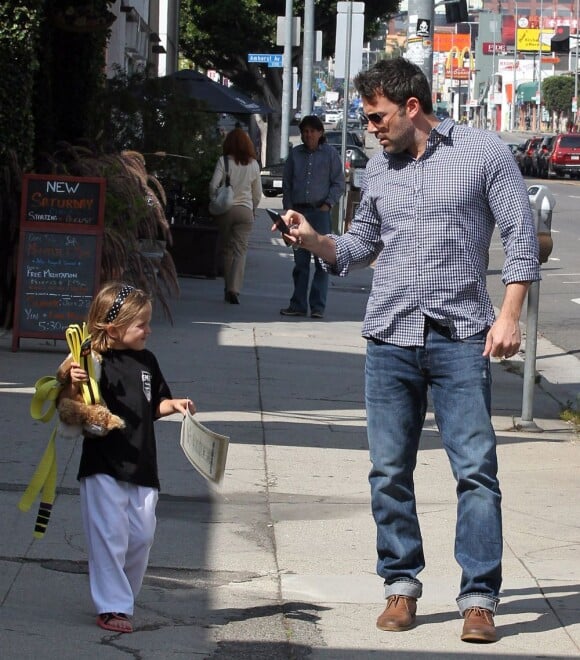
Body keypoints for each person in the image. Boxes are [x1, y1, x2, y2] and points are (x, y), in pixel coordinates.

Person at [276, 58, 540, 643]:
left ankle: (478, 599)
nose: (370, 126)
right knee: (389, 471)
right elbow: (357, 248)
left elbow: (521, 239)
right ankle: (401, 586)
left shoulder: (483, 153)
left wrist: (510, 315)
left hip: (461, 336)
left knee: (475, 471)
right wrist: (312, 238)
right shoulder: (379, 167)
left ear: (411, 107)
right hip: (390, 337)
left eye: (377, 116)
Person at [68, 282, 195, 633]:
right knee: (110, 535)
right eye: (141, 325)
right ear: (113, 328)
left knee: (141, 536)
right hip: (103, 462)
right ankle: (113, 606)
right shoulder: (91, 359)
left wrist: (174, 405)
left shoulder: (147, 361)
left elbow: (154, 404)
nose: (149, 331)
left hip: (142, 463)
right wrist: (73, 377)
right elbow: (69, 396)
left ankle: (122, 597)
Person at [280, 114, 344, 319]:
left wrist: (328, 204)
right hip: (298, 213)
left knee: (322, 262)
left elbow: (339, 183)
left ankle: (317, 306)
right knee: (300, 263)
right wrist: (288, 210)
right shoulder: (295, 155)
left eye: (312, 131)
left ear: (320, 133)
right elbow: (287, 184)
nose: (308, 135)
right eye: (305, 131)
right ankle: (298, 304)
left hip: (320, 214)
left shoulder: (330, 155)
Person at [209, 127, 263, 304]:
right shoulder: (254, 164)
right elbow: (257, 193)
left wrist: (215, 200)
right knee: (241, 250)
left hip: (226, 210)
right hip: (245, 210)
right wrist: (253, 208)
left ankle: (227, 286)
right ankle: (235, 288)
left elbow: (213, 185)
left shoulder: (223, 161)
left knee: (227, 249)